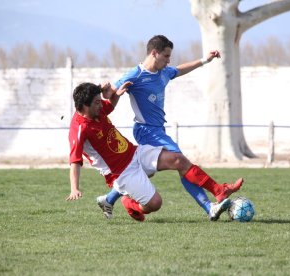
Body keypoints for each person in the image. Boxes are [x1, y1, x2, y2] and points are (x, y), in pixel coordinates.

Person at [97, 35, 244, 220]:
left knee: (144, 171)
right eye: (166, 56)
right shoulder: (135, 75)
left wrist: (205, 60)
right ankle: (215, 197)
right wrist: (103, 90)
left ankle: (113, 200)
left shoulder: (164, 72)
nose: (169, 60)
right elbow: (111, 92)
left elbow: (180, 70)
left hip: (158, 130)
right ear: (154, 53)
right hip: (146, 130)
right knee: (180, 161)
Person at [67, 82, 243, 221]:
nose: (101, 105)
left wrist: (115, 94)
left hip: (134, 153)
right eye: (97, 102)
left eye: (100, 101)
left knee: (178, 159)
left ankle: (219, 190)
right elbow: (74, 161)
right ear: (84, 106)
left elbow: (110, 105)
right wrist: (74, 188)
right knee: (156, 204)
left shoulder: (96, 110)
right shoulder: (79, 129)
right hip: (121, 173)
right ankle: (129, 203)